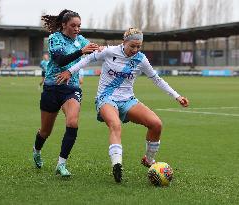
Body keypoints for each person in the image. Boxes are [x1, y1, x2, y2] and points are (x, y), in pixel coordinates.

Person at [56, 28, 189, 183]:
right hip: (106, 98)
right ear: (124, 42)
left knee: (156, 124)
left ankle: (149, 160)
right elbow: (88, 59)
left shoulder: (141, 59)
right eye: (132, 46)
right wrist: (70, 72)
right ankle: (117, 165)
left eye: (139, 46)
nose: (135, 50)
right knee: (115, 124)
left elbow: (156, 79)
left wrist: (177, 96)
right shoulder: (109, 51)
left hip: (128, 100)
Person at [32, 9, 99, 177]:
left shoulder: (81, 40)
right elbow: (60, 60)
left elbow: (97, 51)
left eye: (79, 26)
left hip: (71, 88)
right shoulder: (55, 38)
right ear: (64, 25)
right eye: (73, 26)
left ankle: (61, 164)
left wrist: (121, 49)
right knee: (45, 132)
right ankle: (36, 150)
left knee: (72, 122)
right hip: (52, 88)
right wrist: (81, 52)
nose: (77, 29)